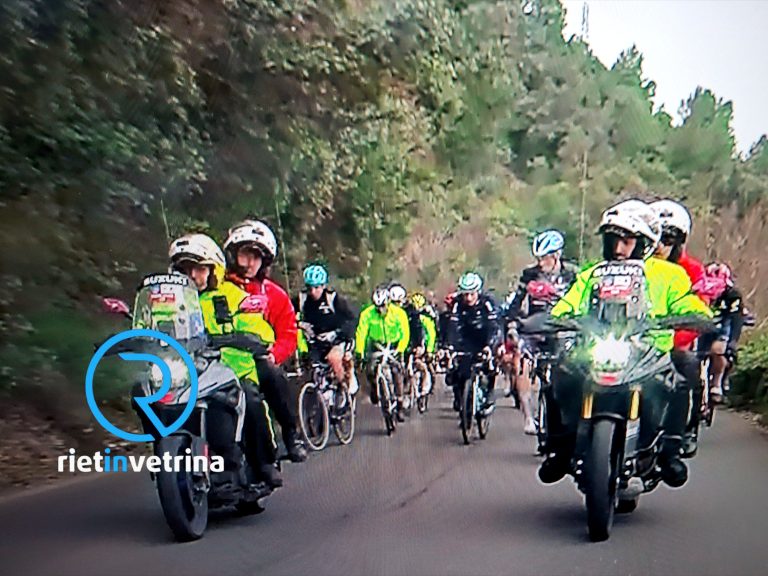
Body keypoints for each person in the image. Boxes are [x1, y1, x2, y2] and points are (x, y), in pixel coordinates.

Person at [540, 199, 711, 488]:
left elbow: (688, 303)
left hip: (650, 351)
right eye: (613, 239)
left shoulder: (669, 274)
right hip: (597, 348)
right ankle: (561, 447)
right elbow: (567, 304)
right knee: (559, 373)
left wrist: (694, 315)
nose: (619, 248)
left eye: (628, 240)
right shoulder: (591, 273)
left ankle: (670, 452)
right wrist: (554, 320)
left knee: (680, 379)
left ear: (644, 242)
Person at [167, 233, 283, 488]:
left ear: (212, 270)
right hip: (187, 371)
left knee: (251, 398)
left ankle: (264, 462)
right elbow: (152, 325)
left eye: (198, 268)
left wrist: (248, 337)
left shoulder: (228, 295)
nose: (192, 275)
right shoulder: (171, 303)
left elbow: (259, 327)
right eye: (185, 269)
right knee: (145, 394)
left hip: (232, 366)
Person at [223, 220, 307, 463]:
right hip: (218, 359)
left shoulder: (275, 295)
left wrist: (275, 355)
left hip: (256, 360)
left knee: (273, 375)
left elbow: (289, 333)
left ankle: (291, 433)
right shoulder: (216, 288)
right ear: (233, 255)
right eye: (244, 255)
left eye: (256, 257)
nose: (250, 263)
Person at [504, 230, 577, 435]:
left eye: (544, 258)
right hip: (534, 327)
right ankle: (528, 417)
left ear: (556, 256)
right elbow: (516, 303)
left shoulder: (572, 274)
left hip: (563, 327)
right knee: (522, 362)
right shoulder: (529, 274)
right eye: (537, 258)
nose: (540, 262)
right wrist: (511, 325)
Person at [650, 199, 707, 457]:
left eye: (669, 239)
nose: (661, 245)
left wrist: (671, 339)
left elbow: (699, 310)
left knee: (688, 368)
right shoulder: (635, 265)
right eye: (657, 237)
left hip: (673, 342)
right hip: (633, 341)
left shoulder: (693, 269)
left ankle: (684, 432)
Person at [296, 264, 359, 396]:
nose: (313, 292)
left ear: (323, 286)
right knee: (309, 366)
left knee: (333, 358)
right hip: (316, 341)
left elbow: (352, 319)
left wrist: (338, 332)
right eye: (309, 288)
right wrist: (298, 324)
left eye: (317, 287)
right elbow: (286, 313)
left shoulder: (333, 299)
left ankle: (344, 387)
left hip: (337, 338)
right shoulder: (302, 300)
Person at [447, 272, 504, 414]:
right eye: (465, 294)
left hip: (485, 335)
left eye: (472, 294)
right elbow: (453, 326)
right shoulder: (458, 304)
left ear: (478, 292)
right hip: (467, 337)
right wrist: (450, 347)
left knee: (490, 365)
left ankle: (489, 394)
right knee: (458, 368)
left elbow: (493, 326)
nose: (468, 298)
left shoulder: (487, 303)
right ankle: (461, 398)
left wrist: (490, 346)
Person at [354, 284, 410, 421]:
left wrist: (401, 349)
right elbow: (361, 333)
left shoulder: (399, 313)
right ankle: (374, 387)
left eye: (383, 306)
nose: (381, 310)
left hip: (393, 345)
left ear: (388, 303)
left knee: (397, 371)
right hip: (376, 345)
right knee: (370, 369)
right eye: (377, 307)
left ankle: (400, 402)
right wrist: (359, 353)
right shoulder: (367, 314)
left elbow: (405, 333)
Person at [695, 262, 744, 401]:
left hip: (724, 324)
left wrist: (732, 342)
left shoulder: (733, 295)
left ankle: (718, 381)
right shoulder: (697, 290)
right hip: (702, 325)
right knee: (695, 355)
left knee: (718, 349)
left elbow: (736, 319)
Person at [389, 282, 425, 411]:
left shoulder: (412, 312)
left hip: (409, 344)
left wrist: (419, 345)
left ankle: (420, 392)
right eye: (394, 302)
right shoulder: (387, 312)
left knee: (414, 369)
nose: (396, 305)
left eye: (399, 302)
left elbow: (417, 328)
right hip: (393, 346)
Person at [409, 291, 438, 394]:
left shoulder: (427, 318)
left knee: (429, 365)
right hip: (415, 345)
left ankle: (432, 383)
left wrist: (430, 350)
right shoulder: (410, 317)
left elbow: (431, 335)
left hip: (426, 344)